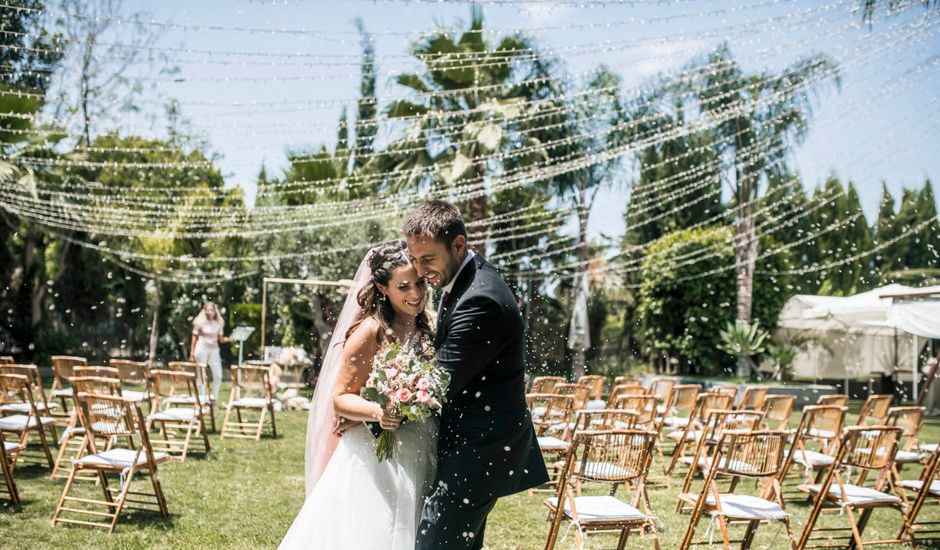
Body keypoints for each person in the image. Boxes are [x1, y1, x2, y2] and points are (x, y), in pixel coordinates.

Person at [404, 200, 548, 550]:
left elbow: (438, 382)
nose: (420, 272)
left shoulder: (480, 299)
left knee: (435, 544)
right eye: (415, 260)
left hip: (479, 448)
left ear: (458, 245)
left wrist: (378, 412)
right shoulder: (465, 280)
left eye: (428, 259)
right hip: (474, 444)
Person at [279, 240, 437, 550]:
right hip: (375, 455)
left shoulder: (430, 327)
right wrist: (380, 413)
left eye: (420, 283)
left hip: (421, 446)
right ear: (382, 287)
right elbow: (340, 398)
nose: (415, 294)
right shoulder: (370, 330)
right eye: (403, 286)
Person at [189, 301, 229, 400]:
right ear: (205, 311)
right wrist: (192, 352)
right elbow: (194, 337)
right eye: (208, 310)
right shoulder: (200, 322)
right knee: (201, 374)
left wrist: (231, 338)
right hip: (202, 348)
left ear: (215, 311)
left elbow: (220, 339)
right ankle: (201, 398)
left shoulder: (218, 323)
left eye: (212, 310)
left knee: (218, 375)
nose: (210, 312)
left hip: (214, 349)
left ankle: (213, 397)